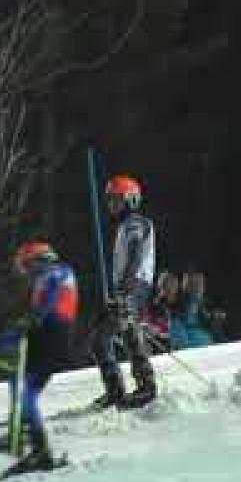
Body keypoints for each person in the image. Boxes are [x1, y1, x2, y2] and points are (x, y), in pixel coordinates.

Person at [0, 241, 79, 471]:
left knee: (27, 393)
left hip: (52, 337)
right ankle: (21, 433)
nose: (27, 272)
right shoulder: (50, 275)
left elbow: (49, 302)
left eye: (28, 266)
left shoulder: (55, 272)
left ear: (39, 260)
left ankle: (40, 451)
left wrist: (32, 318)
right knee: (18, 380)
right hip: (46, 335)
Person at [91, 173, 158, 409]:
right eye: (109, 200)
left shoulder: (135, 223)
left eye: (116, 200)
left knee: (109, 336)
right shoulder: (124, 226)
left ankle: (143, 387)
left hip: (136, 285)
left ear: (131, 199)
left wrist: (125, 291)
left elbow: (136, 254)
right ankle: (123, 389)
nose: (111, 205)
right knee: (113, 334)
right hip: (129, 286)